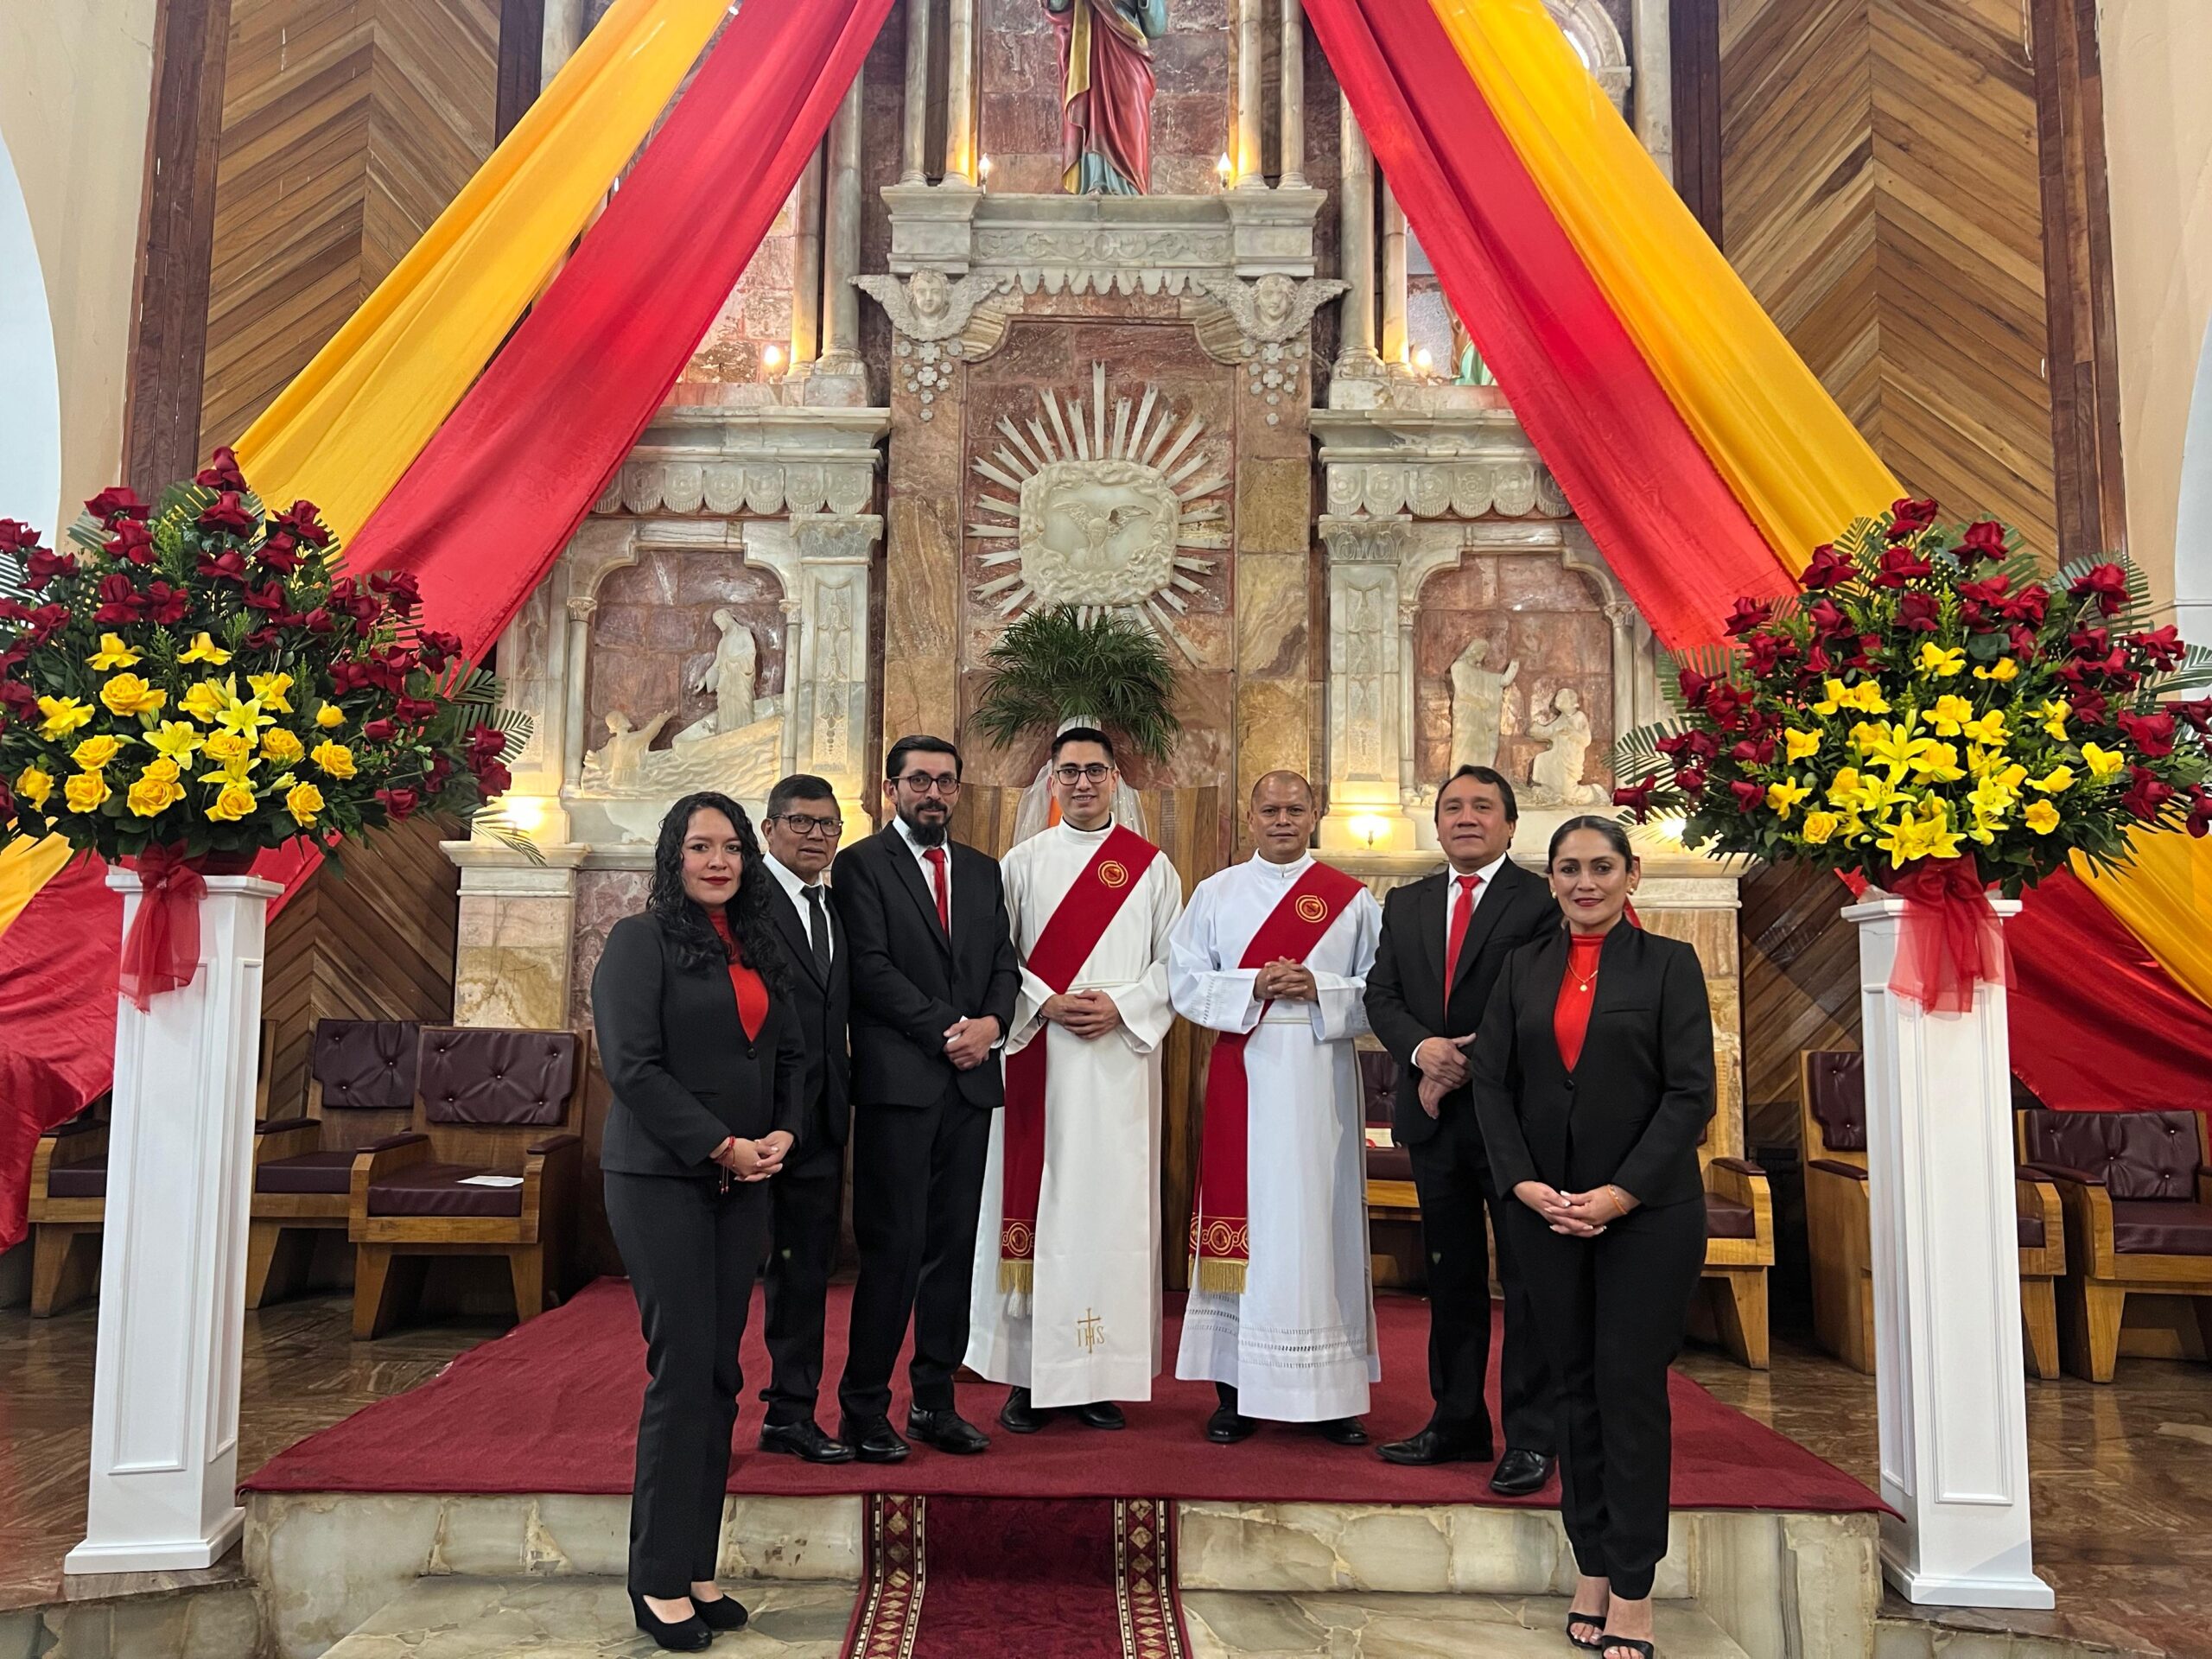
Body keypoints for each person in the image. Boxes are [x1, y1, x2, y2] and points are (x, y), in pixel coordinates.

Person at [1470, 816, 1713, 1659]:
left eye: (1601, 867)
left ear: (1631, 874)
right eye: (1569, 868)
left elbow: (1690, 1095)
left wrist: (1616, 1195)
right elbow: (1492, 1085)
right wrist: (1522, 1183)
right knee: (1571, 1390)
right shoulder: (1521, 968)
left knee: (1628, 1391)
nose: (1585, 882)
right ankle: (1593, 1566)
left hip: (1648, 1214)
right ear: (1550, 880)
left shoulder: (1670, 965)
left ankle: (1635, 1585)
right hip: (1545, 1212)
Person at [593, 791, 808, 1651]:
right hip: (662, 1177)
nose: (718, 862)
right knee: (681, 1371)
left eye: (732, 848)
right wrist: (720, 1144)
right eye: (700, 847)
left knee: (720, 1375)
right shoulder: (638, 941)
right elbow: (631, 1067)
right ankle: (655, 1578)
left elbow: (790, 1056)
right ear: (672, 857)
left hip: (744, 1180)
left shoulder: (757, 944)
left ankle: (694, 1564)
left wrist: (784, 1132)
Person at [968, 727, 1182, 1429]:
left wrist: (1122, 1006)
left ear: (1116, 778)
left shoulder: (1151, 869)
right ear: (1051, 781)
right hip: (1042, 1056)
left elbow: (1174, 964)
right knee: (1041, 1202)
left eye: (1095, 771)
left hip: (1119, 1069)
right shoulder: (1022, 864)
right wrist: (1045, 1001)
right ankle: (1028, 1376)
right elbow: (998, 957)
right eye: (1070, 772)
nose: (1083, 783)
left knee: (1111, 1214)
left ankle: (1097, 1376)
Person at [1170, 770, 1382, 1445]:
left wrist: (1320, 986)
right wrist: (1253, 985)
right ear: (1250, 817)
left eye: (1295, 808)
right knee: (1250, 1229)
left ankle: (1332, 1396)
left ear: (1314, 814)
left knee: (1320, 1227)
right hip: (1247, 1070)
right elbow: (1183, 980)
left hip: (1321, 1080)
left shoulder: (1352, 900)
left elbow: (1384, 990)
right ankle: (1234, 1393)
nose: (1283, 820)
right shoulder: (1216, 893)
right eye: (1270, 809)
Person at [1362, 765, 1558, 1493]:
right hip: (1434, 1123)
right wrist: (1423, 1052)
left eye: (1482, 806)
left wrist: (1460, 1064)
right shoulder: (1407, 902)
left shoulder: (1540, 900)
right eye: (1452, 807)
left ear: (1510, 824)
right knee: (1450, 1277)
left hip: (1514, 1121)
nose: (1465, 817)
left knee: (1527, 1282)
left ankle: (1532, 1436)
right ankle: (1456, 1421)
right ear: (1437, 823)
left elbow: (1536, 1000)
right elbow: (1382, 994)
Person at [833, 736, 1020, 1461]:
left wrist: (993, 1026)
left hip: (970, 1086)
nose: (933, 793)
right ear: (891, 790)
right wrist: (951, 1031)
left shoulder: (981, 870)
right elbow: (871, 970)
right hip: (900, 1086)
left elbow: (1003, 963)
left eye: (945, 782)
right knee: (893, 1250)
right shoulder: (861, 865)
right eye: (918, 781)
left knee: (953, 1249)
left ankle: (934, 1403)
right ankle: (864, 1409)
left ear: (958, 791)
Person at [753, 775, 855, 1465]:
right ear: (769, 829)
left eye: (828, 825)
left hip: (820, 1119)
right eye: (801, 822)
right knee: (730, 1272)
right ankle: (703, 1411)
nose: (816, 835)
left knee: (804, 1274)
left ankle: (791, 1414)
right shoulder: (742, 900)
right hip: (752, 1120)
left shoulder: (833, 904)